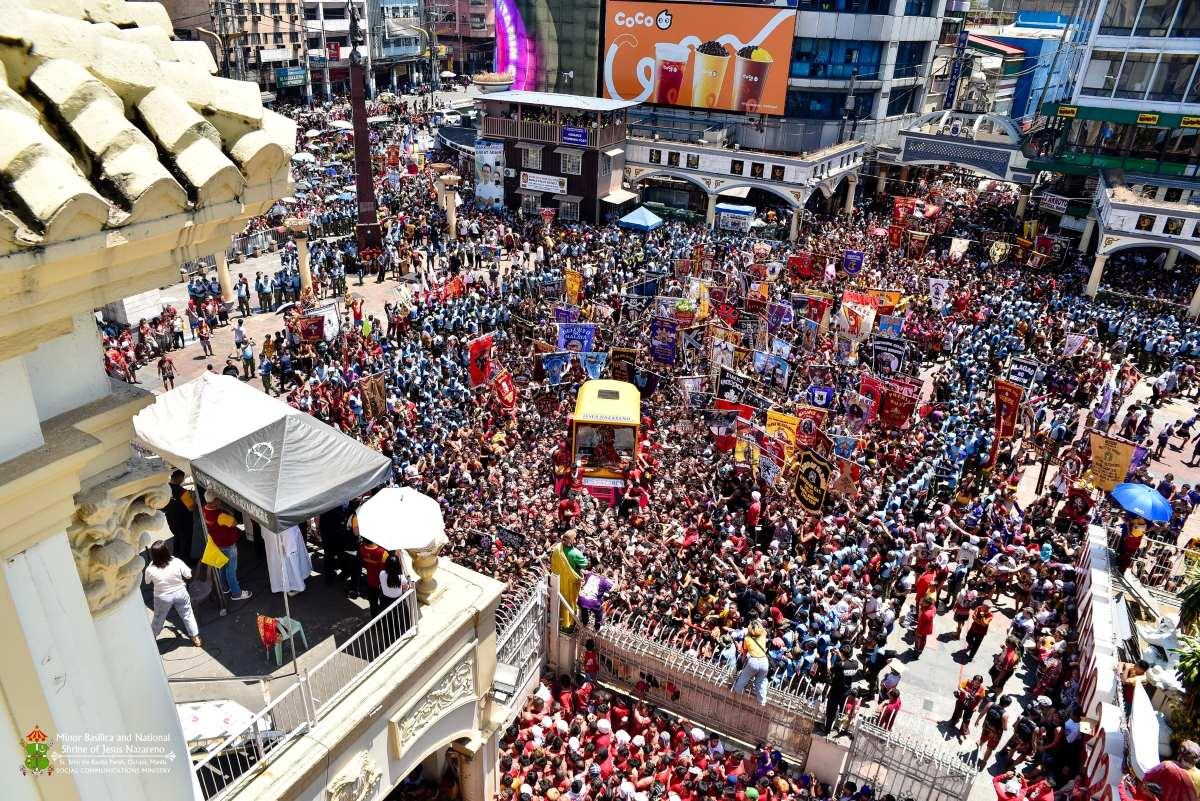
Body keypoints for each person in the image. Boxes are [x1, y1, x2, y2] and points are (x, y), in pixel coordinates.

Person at [142, 540, 202, 647]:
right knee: (187, 614)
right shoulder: (176, 561)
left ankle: (152, 638)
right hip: (180, 593)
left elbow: (147, 581)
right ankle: (195, 637)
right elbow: (188, 575)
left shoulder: (150, 569)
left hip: (162, 597)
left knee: (159, 618)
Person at [203, 497, 252, 601]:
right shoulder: (220, 515)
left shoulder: (205, 509)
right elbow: (234, 522)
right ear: (215, 501)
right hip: (228, 544)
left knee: (222, 567)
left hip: (217, 544)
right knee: (231, 570)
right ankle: (236, 593)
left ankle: (225, 588)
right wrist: (226, 509)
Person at [732, 618, 770, 706]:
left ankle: (736, 692)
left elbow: (744, 654)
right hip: (764, 661)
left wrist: (741, 664)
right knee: (760, 682)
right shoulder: (763, 634)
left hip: (754, 661)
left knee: (744, 677)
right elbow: (762, 627)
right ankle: (762, 702)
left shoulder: (747, 639)